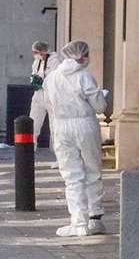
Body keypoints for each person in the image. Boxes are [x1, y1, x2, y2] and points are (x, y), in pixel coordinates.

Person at [44, 39, 110, 237]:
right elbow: (100, 107)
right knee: (92, 170)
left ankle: (78, 222)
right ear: (84, 56)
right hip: (84, 124)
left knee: (71, 176)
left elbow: (49, 105)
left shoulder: (51, 78)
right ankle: (95, 218)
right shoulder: (84, 77)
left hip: (61, 126)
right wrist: (102, 96)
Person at [28, 40, 55, 142]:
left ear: (43, 51)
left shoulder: (54, 61)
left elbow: (54, 79)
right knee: (33, 124)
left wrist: (43, 82)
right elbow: (35, 74)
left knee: (54, 125)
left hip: (51, 96)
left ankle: (58, 152)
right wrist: (34, 81)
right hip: (38, 96)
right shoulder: (36, 62)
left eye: (35, 52)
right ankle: (29, 150)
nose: (34, 54)